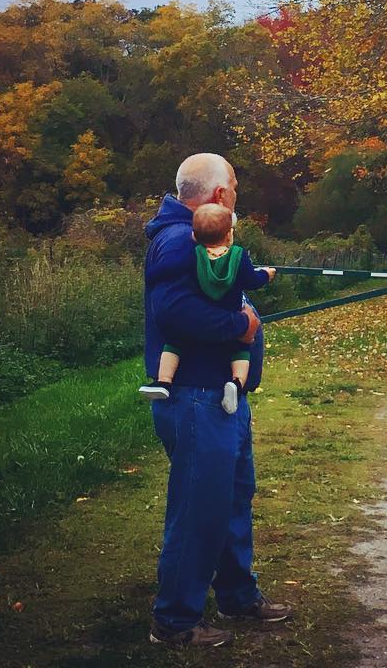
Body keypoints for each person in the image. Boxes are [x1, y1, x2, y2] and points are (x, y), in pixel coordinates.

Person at [144, 153, 291, 648]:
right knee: (198, 507)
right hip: (196, 398)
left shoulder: (201, 240)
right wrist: (239, 326)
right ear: (219, 196)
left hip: (220, 398)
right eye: (234, 187)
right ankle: (175, 621)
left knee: (229, 498)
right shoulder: (176, 241)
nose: (237, 196)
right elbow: (173, 314)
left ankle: (236, 594)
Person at [140, 202, 276, 412]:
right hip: (230, 314)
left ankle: (163, 381)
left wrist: (152, 275)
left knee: (173, 344)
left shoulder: (193, 254)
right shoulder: (238, 256)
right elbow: (252, 280)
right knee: (241, 350)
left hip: (202, 316)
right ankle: (236, 384)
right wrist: (266, 275)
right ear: (229, 235)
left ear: (194, 236)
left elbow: (168, 268)